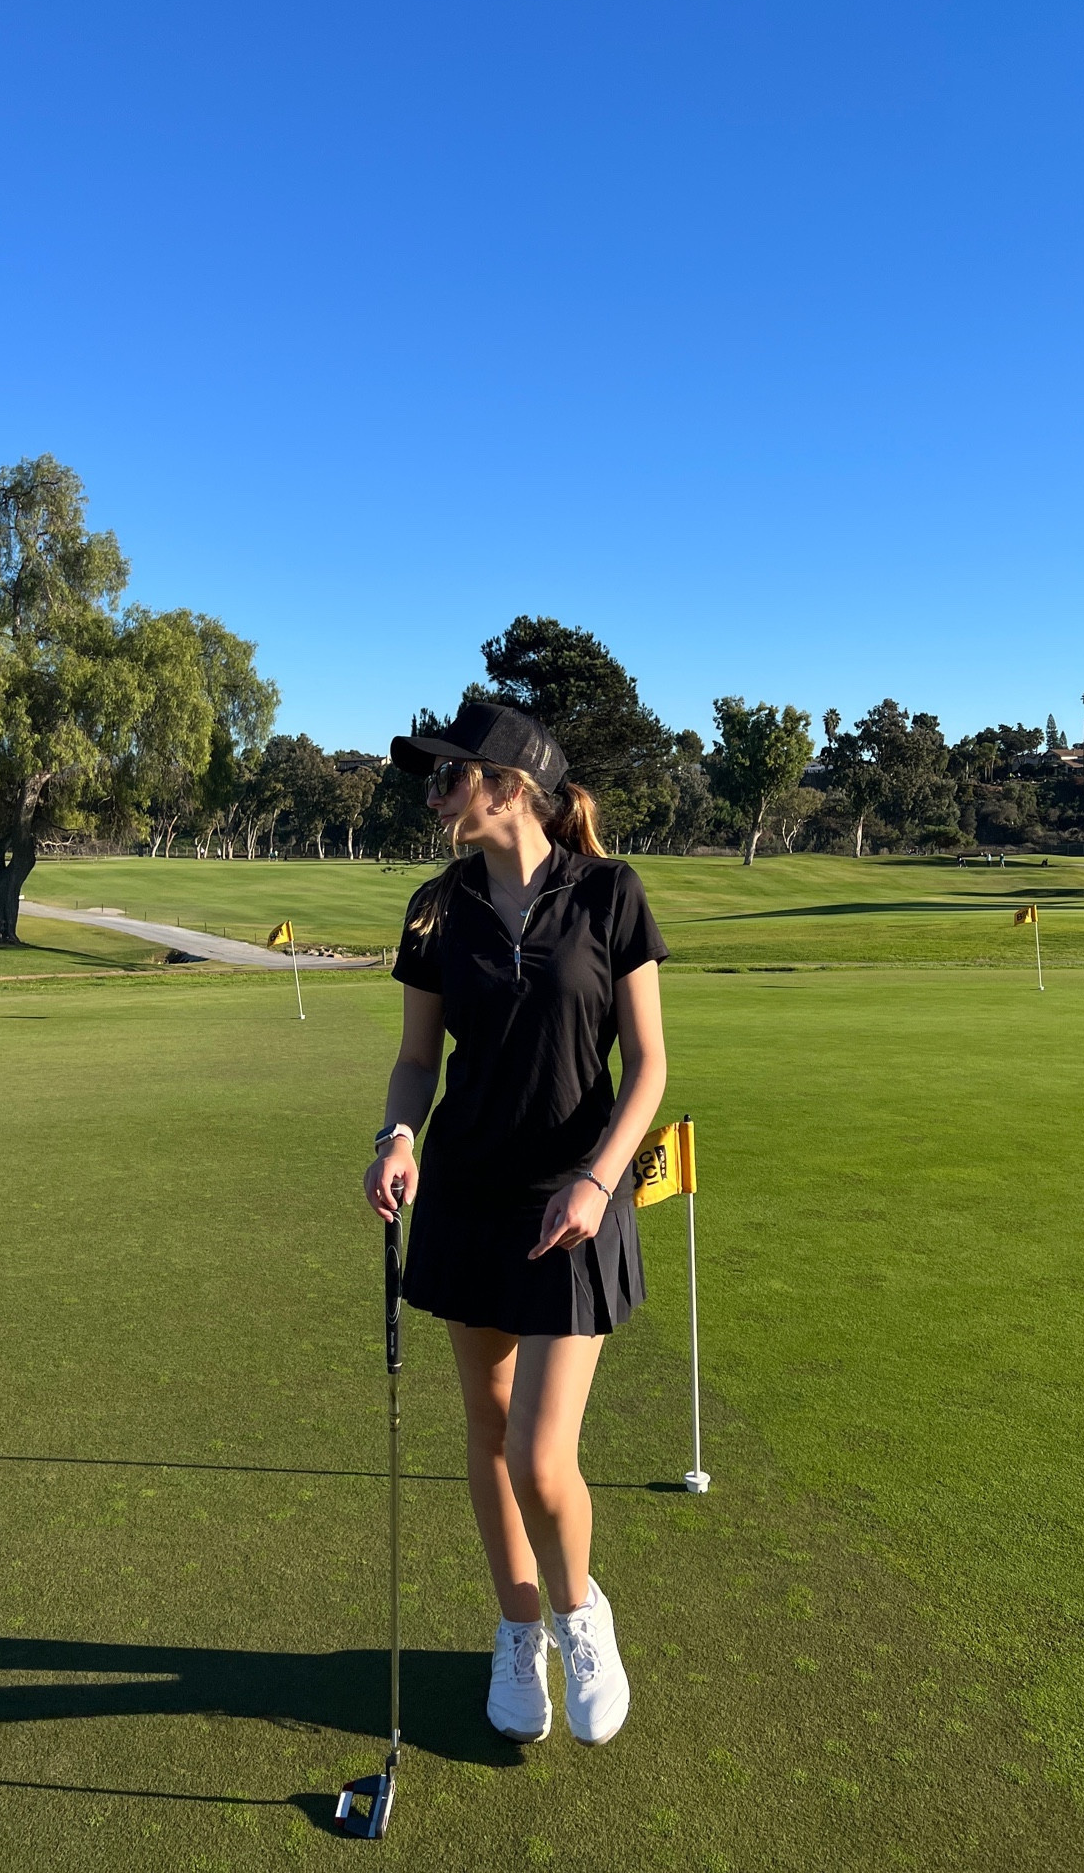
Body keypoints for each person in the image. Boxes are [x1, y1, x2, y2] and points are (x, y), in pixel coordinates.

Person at [363, 702, 669, 1750]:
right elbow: (417, 1060)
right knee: (489, 1435)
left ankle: (583, 1615)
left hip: (574, 1203)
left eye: (451, 775)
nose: (435, 792)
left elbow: (651, 1065)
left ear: (511, 783)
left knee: (543, 1454)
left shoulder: (612, 893)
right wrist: (398, 1137)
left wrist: (596, 1179)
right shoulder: (432, 909)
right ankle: (517, 1627)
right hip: (468, 1196)